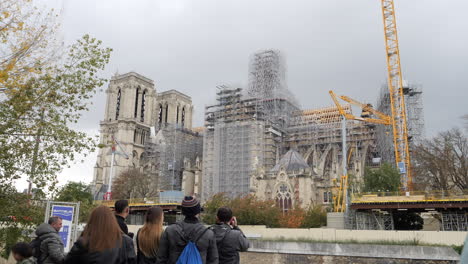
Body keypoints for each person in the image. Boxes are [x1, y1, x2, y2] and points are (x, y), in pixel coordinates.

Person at [64, 205, 136, 264]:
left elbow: (68, 261)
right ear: (113, 220)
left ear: (92, 220)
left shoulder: (83, 241)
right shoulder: (126, 241)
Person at [157, 196, 218, 264]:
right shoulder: (208, 234)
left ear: (183, 212)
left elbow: (161, 258)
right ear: (198, 212)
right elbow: (213, 260)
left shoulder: (170, 231)